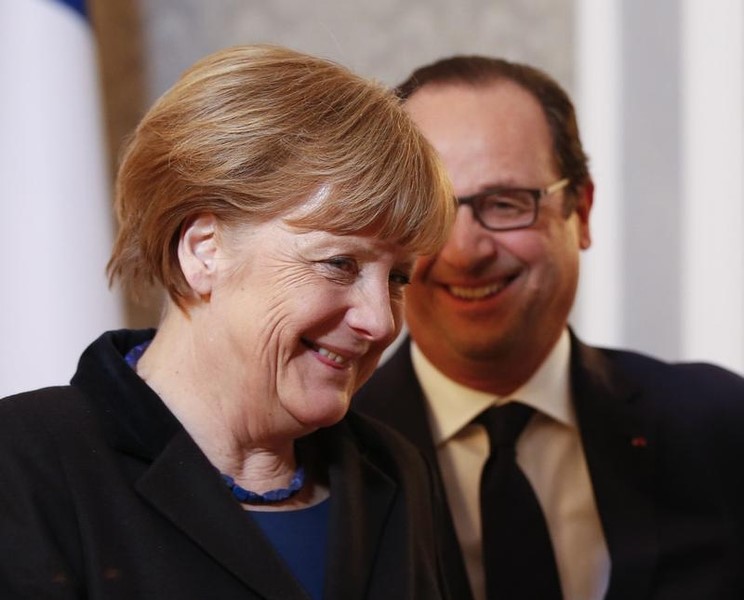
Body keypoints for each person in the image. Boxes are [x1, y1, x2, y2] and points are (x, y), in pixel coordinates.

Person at [0, 45, 457, 599]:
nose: (380, 322)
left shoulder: (393, 469)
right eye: (340, 263)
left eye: (398, 278)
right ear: (204, 250)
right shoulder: (24, 462)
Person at [354, 54, 744, 600]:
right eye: (431, 211)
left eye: (506, 203)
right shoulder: (322, 455)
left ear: (581, 212)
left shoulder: (720, 426)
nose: (465, 252)